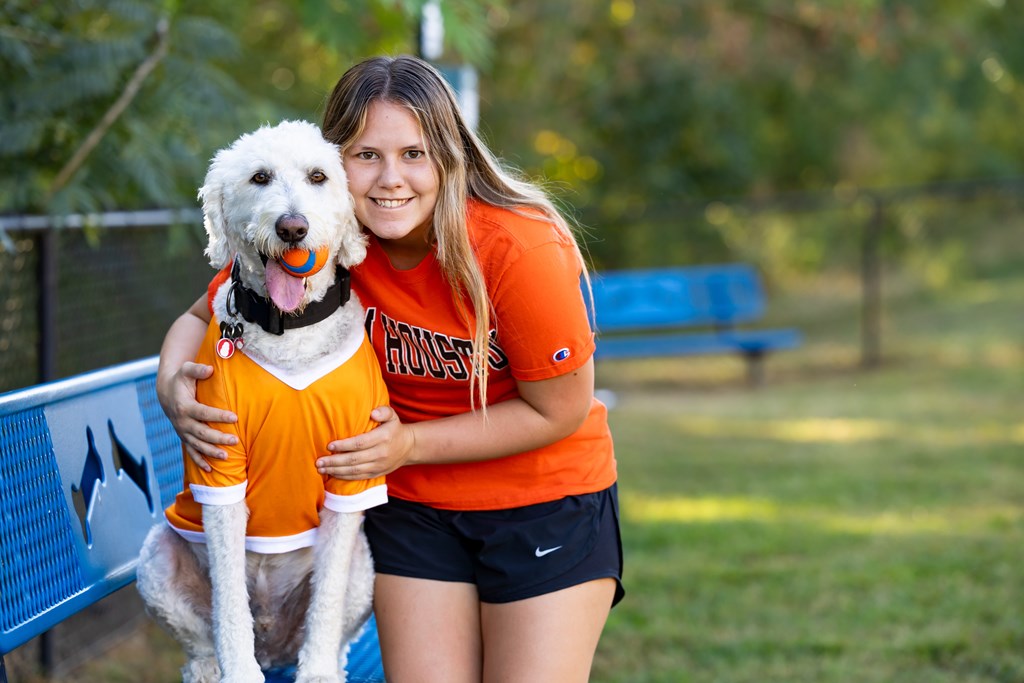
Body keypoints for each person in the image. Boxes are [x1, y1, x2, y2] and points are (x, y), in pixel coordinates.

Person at [156, 54, 623, 682]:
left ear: (449, 158)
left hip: (541, 501)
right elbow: (199, 313)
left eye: (414, 154)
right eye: (366, 155)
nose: (388, 179)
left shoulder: (516, 246)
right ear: (332, 161)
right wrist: (169, 384)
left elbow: (560, 408)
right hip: (411, 507)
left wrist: (407, 441)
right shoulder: (329, 243)